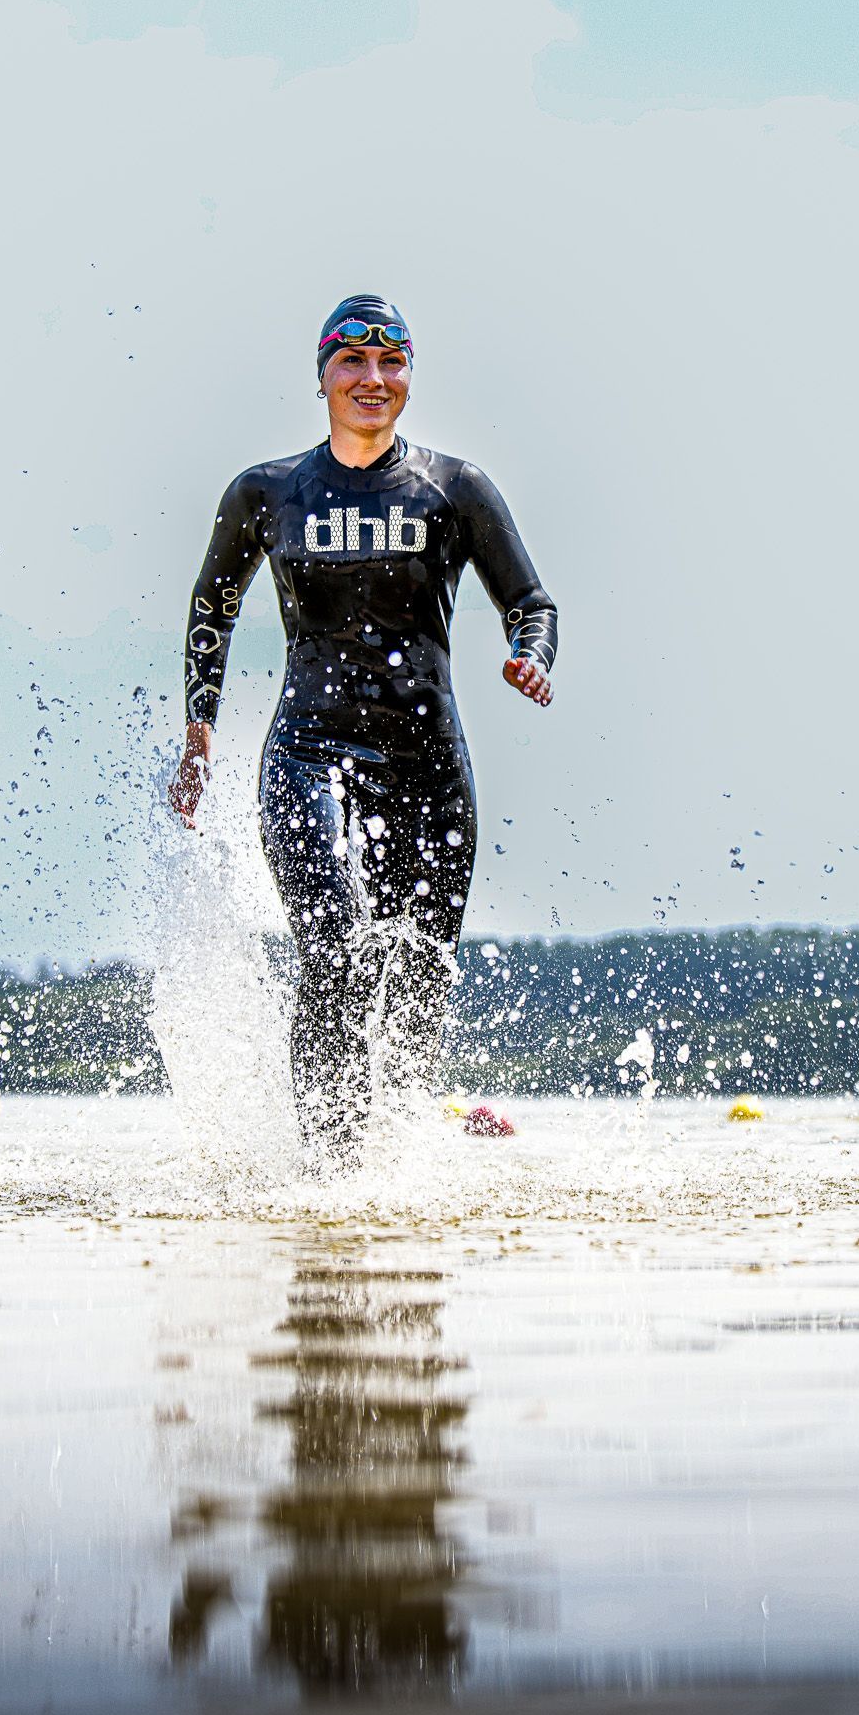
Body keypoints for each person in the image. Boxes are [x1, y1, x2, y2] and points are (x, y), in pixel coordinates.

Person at [169, 295, 556, 1161]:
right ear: (321, 377)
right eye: (352, 362)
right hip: (306, 749)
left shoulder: (454, 489)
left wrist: (533, 654)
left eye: (391, 363)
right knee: (335, 948)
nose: (372, 379)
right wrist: (200, 732)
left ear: (409, 379)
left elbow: (530, 604)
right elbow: (213, 605)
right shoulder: (266, 491)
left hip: (426, 761)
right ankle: (330, 1174)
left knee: (418, 978)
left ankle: (395, 1166)